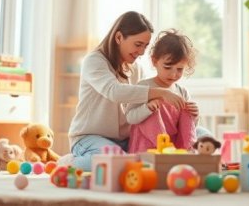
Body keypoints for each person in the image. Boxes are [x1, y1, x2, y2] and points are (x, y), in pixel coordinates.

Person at [60, 11, 186, 171]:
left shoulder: (136, 69)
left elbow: (141, 102)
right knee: (117, 162)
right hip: (89, 137)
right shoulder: (94, 61)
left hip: (125, 141)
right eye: (138, 44)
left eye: (145, 46)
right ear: (119, 37)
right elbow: (114, 91)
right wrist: (161, 92)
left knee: (146, 162)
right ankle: (69, 163)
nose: (141, 52)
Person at [126, 29, 199, 153]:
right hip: (147, 148)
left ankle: (187, 152)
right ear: (155, 61)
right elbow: (130, 117)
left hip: (173, 148)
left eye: (180, 69)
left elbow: (188, 127)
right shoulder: (144, 86)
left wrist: (195, 115)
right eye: (167, 67)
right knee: (152, 111)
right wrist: (147, 108)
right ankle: (165, 152)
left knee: (187, 111)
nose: (173, 74)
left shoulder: (182, 92)